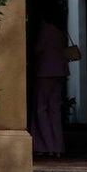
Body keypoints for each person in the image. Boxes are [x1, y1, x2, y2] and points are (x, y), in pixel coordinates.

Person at [31, 12, 68, 157]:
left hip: (45, 71)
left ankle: (47, 146)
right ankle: (58, 147)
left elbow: (39, 49)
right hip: (60, 71)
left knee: (41, 109)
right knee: (55, 110)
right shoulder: (61, 29)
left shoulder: (45, 28)